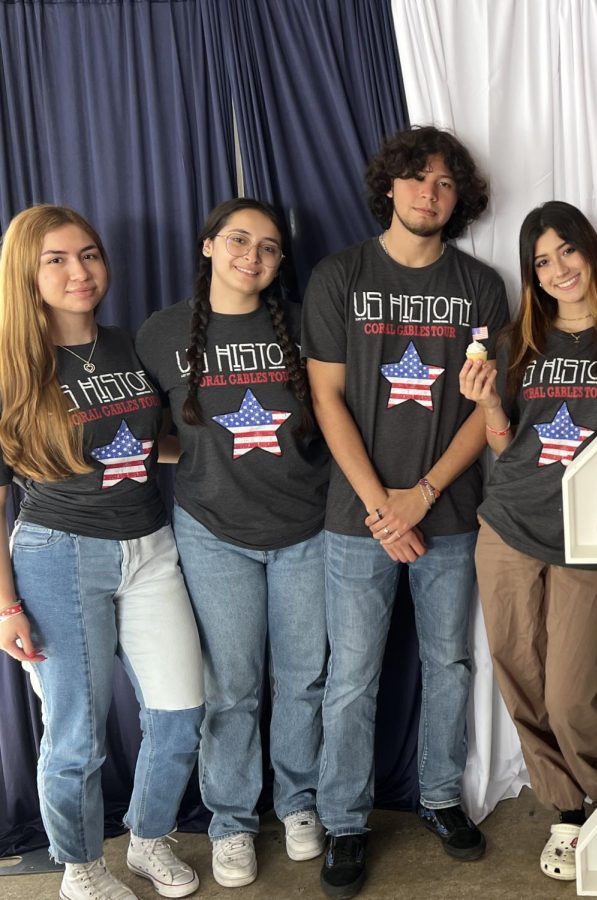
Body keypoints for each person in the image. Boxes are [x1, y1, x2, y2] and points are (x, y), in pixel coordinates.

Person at [301, 125, 509, 899]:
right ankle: (345, 820)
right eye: (417, 179)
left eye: (446, 184)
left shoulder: (480, 286)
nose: (431, 193)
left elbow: (483, 411)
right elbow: (325, 397)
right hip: (355, 518)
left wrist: (419, 496)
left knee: (449, 664)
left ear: (460, 200)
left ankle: (442, 798)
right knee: (351, 676)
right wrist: (380, 505)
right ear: (389, 186)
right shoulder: (340, 276)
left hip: (449, 511)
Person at [460, 201, 597, 881]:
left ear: (591, 253)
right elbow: (502, 444)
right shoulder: (516, 341)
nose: (557, 271)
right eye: (541, 261)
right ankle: (566, 811)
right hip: (509, 524)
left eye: (567, 252)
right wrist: (489, 404)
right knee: (518, 673)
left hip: (591, 531)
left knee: (573, 689)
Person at [0, 205, 204, 899]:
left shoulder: (131, 344)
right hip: (59, 555)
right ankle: (81, 867)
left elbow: (151, 446)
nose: (78, 271)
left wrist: (224, 450)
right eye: (55, 258)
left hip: (150, 546)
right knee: (77, 736)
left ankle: (148, 840)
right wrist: (4, 606)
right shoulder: (12, 365)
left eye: (88, 254)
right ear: (27, 271)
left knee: (181, 712)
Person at [136, 199, 331, 888]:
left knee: (305, 677)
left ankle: (300, 803)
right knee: (232, 689)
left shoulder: (308, 321)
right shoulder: (162, 333)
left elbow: (340, 410)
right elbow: (142, 430)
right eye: (240, 240)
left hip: (307, 526)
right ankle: (232, 822)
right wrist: (192, 457)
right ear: (209, 246)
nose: (254, 255)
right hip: (213, 532)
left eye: (270, 247)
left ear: (281, 262)